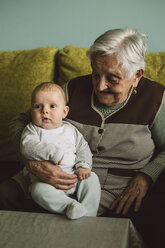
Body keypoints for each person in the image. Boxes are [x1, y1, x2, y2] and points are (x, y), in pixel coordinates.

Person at [0, 27, 165, 247]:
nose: (99, 86)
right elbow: (20, 121)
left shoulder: (156, 99)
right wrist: (33, 162)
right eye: (96, 74)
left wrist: (146, 177)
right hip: (45, 177)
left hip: (111, 189)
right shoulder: (74, 89)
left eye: (113, 79)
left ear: (136, 75)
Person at [20, 82, 100, 219]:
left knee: (92, 179)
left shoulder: (70, 129)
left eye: (52, 106)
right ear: (31, 110)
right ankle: (69, 206)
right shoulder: (32, 129)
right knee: (36, 191)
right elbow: (27, 146)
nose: (44, 111)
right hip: (45, 182)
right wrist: (52, 152)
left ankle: (89, 215)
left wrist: (83, 166)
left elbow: (83, 148)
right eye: (38, 106)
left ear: (64, 111)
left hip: (75, 176)